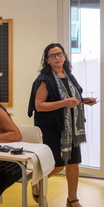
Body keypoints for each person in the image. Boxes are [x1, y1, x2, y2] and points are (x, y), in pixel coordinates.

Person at [28, 43, 97, 207]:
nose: (57, 57)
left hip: (71, 127)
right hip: (52, 127)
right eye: (52, 55)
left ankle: (72, 199)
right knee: (57, 166)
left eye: (59, 54)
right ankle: (34, 181)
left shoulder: (69, 75)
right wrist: (65, 103)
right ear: (47, 60)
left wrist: (83, 101)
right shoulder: (44, 79)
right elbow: (39, 106)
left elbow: (72, 98)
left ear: (65, 56)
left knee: (74, 164)